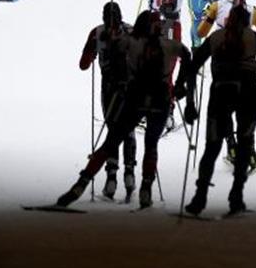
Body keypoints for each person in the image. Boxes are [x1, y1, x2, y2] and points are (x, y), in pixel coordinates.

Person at [56, 11, 193, 209]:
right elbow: (187, 56)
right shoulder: (168, 44)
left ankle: (80, 185)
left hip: (135, 97)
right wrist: (181, 86)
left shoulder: (131, 42)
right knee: (151, 144)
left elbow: (109, 54)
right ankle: (145, 189)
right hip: (160, 99)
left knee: (111, 141)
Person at [181, 6, 256, 216]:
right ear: (247, 21)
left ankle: (199, 197)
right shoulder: (253, 37)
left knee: (212, 146)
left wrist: (190, 102)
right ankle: (236, 197)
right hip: (250, 91)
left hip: (221, 92)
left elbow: (193, 67)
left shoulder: (216, 37)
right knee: (245, 143)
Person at [196, 0, 256, 169]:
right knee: (246, 109)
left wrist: (209, 18)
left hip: (220, 67)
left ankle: (231, 147)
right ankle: (249, 153)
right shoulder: (250, 10)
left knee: (225, 108)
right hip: (246, 66)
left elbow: (201, 32)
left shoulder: (216, 6)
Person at [78, 1, 135, 200]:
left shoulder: (97, 32)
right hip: (130, 87)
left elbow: (84, 64)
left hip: (109, 88)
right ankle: (130, 174)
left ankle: (111, 178)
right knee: (128, 130)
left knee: (113, 130)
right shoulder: (131, 30)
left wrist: (96, 51)